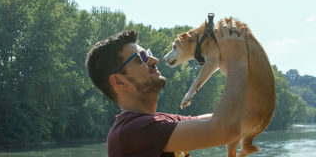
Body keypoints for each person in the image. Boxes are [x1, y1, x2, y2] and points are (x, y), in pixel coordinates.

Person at [85, 19, 248, 157]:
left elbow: (226, 119)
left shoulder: (161, 121)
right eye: (141, 58)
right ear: (119, 82)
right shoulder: (131, 132)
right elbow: (227, 127)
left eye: (148, 53)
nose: (154, 59)